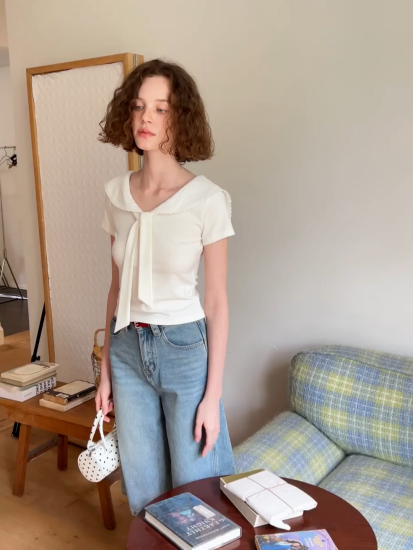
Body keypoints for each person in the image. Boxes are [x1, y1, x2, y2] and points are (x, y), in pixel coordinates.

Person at [96, 59, 236, 514]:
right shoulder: (116, 195)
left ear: (181, 118)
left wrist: (213, 396)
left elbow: (216, 302)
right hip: (126, 348)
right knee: (143, 490)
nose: (146, 118)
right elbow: (116, 290)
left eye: (161, 108)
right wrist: (105, 370)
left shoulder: (207, 200)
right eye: (139, 106)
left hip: (184, 350)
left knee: (198, 491)